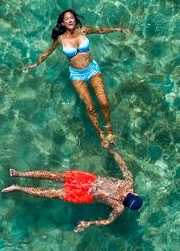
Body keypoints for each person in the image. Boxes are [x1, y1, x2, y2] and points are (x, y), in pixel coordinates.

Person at [24, 9, 130, 147]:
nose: (70, 20)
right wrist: (35, 64)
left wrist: (118, 29)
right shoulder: (60, 39)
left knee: (103, 102)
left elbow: (100, 30)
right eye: (66, 19)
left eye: (71, 17)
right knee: (90, 107)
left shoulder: (83, 30)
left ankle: (109, 129)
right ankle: (101, 134)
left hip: (92, 70)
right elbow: (47, 52)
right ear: (62, 22)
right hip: (77, 75)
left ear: (75, 19)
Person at [2, 146, 143, 232]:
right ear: (133, 193)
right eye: (127, 195)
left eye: (125, 201)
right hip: (88, 180)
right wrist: (112, 151)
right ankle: (20, 174)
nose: (123, 197)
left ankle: (18, 187)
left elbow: (107, 221)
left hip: (85, 195)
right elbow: (122, 165)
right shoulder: (128, 182)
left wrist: (88, 223)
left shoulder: (119, 208)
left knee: (51, 194)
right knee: (53, 176)